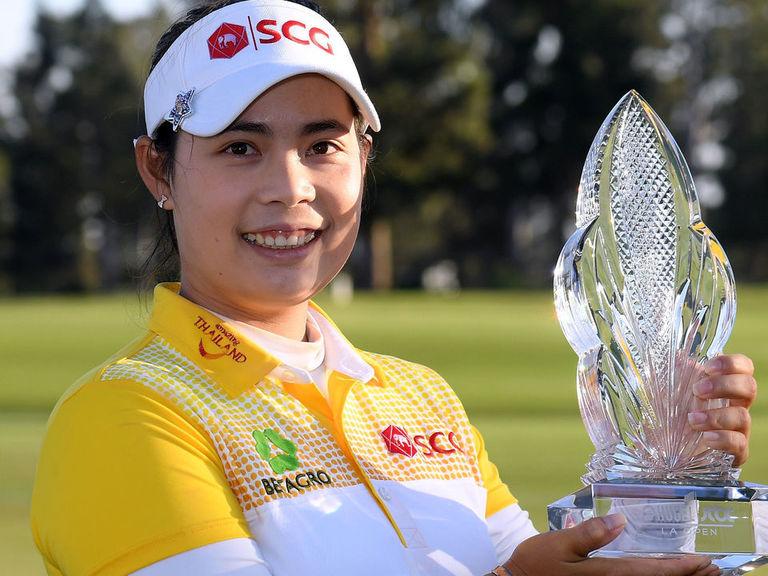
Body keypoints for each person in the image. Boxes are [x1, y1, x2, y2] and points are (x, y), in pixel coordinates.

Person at [30, 1, 756, 575]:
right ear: (157, 170)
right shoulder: (125, 415)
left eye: (322, 145)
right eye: (240, 148)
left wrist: (662, 486)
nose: (291, 188)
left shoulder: (419, 397)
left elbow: (545, 566)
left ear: (364, 157)